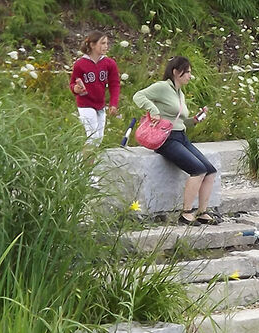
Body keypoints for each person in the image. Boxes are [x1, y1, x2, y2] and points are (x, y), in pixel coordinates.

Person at [132, 56, 219, 224]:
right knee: (198, 170)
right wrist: (153, 110)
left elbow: (180, 121)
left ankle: (202, 212)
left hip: (181, 136)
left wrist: (195, 120)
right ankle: (186, 213)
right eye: (187, 72)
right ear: (176, 72)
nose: (190, 76)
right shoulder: (162, 87)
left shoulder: (180, 93)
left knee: (210, 171)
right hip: (166, 138)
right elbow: (138, 96)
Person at [69, 32, 120, 146]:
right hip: (85, 104)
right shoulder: (80, 64)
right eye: (102, 43)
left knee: (99, 139)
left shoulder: (109, 63)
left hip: (100, 105)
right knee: (93, 137)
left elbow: (115, 84)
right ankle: (85, 158)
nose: (106, 46)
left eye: (106, 43)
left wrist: (113, 104)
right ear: (92, 45)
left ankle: (85, 157)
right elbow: (72, 83)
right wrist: (76, 89)